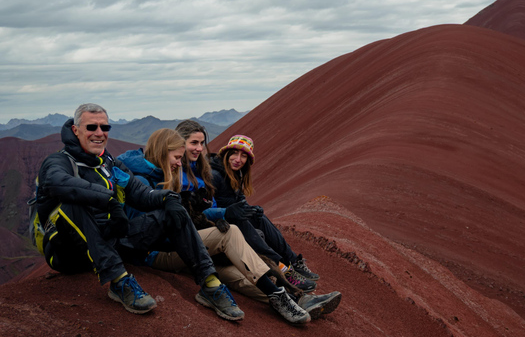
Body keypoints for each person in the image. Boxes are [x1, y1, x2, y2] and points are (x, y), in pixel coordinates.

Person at [35, 103, 242, 320]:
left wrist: (168, 198)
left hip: (112, 242)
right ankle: (119, 282)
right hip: (70, 252)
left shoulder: (108, 163)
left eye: (104, 128)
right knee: (72, 204)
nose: (99, 133)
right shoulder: (58, 161)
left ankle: (210, 283)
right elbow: (57, 183)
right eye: (91, 127)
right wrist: (108, 201)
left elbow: (141, 194)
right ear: (76, 130)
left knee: (173, 209)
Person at [118, 128, 340, 323]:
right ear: (161, 152)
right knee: (231, 234)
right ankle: (289, 295)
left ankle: (294, 300)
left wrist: (212, 218)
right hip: (158, 253)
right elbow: (147, 230)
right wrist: (198, 235)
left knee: (234, 274)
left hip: (181, 245)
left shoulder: (167, 175)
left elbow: (189, 213)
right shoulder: (143, 183)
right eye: (177, 157)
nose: (180, 162)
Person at [174, 121, 317, 292]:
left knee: (259, 217)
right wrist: (227, 213)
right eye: (234, 154)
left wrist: (250, 210)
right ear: (226, 154)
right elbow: (205, 208)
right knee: (243, 223)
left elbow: (237, 202)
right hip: (213, 226)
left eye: (243, 156)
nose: (238, 159)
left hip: (221, 220)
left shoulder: (234, 175)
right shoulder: (214, 175)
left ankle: (292, 261)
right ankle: (284, 270)